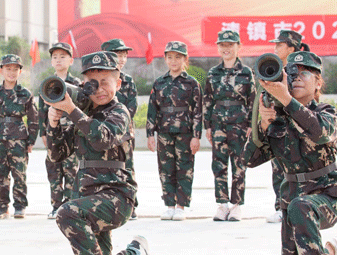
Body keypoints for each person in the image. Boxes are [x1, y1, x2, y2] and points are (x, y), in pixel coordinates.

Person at [47, 51, 158, 255]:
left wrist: (72, 111)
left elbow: (101, 138)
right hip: (88, 195)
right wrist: (54, 123)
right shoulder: (82, 115)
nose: (99, 90)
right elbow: (57, 153)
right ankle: (135, 254)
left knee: (67, 213)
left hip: (116, 197)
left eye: (105, 82)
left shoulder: (119, 112)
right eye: (92, 84)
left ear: (118, 84)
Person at [242, 51, 337, 255]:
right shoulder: (277, 120)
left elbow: (319, 132)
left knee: (302, 206)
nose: (297, 77)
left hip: (327, 195)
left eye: (305, 73)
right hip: (293, 203)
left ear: (318, 82)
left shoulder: (326, 112)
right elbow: (250, 160)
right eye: (292, 73)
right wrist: (262, 126)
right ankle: (330, 254)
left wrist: (287, 100)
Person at [146, 41, 202, 221]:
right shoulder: (159, 83)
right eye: (170, 57)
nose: (174, 61)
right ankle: (169, 205)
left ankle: (181, 206)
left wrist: (196, 136)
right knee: (166, 169)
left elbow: (198, 111)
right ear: (165, 59)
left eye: (178, 57)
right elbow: (152, 110)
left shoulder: (192, 83)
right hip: (164, 132)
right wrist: (150, 134)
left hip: (185, 132)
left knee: (184, 168)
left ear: (185, 59)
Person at [203, 30, 256, 221]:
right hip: (218, 123)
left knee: (239, 163)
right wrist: (207, 125)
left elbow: (252, 100)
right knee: (219, 164)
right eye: (222, 45)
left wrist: (251, 124)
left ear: (238, 47)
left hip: (239, 123)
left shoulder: (246, 72)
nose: (226, 49)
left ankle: (236, 205)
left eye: (230, 45)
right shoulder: (212, 73)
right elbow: (207, 100)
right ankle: (222, 204)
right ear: (218, 48)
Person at [0, 54, 39, 219]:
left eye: (15, 69)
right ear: (1, 70)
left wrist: (31, 140)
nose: (12, 72)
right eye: (8, 68)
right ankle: (1, 205)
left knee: (19, 173)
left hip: (19, 139)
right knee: (0, 173)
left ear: (20, 71)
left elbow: (33, 119)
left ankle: (20, 205)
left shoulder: (25, 94)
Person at [266, 29, 310, 224]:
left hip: (297, 126)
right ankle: (280, 207)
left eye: (279, 45)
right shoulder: (273, 68)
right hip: (277, 125)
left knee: (298, 168)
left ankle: (300, 205)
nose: (275, 48)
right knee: (277, 168)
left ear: (291, 48)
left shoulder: (301, 72)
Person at [38, 42, 81, 219]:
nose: (58, 60)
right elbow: (41, 111)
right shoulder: (48, 84)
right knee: (54, 169)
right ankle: (56, 205)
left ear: (70, 60)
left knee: (71, 169)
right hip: (53, 131)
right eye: (55, 57)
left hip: (71, 133)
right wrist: (43, 133)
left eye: (63, 56)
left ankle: (69, 205)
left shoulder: (77, 84)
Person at [100, 38, 139, 220]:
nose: (122, 58)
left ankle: (131, 205)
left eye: (124, 55)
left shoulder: (128, 81)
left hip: (123, 134)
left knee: (127, 168)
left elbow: (132, 107)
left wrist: (117, 121)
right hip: (103, 133)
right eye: (118, 54)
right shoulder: (98, 80)